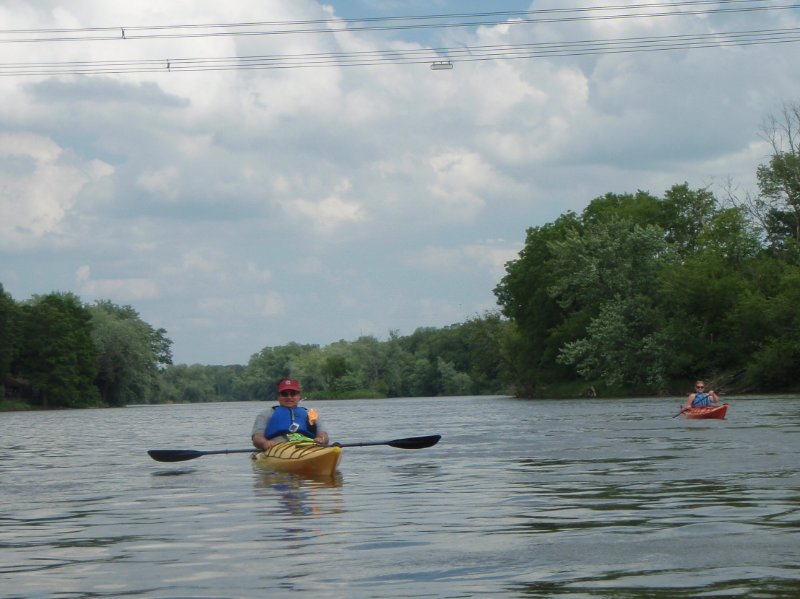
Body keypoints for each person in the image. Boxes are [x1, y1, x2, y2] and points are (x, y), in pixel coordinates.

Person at [251, 378, 330, 451]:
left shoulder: (311, 414)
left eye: (293, 394)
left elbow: (323, 435)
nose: (289, 397)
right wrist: (264, 443)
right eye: (284, 394)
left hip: (307, 447)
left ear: (299, 396)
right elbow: (257, 437)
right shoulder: (266, 414)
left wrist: (321, 439)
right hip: (276, 448)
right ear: (278, 396)